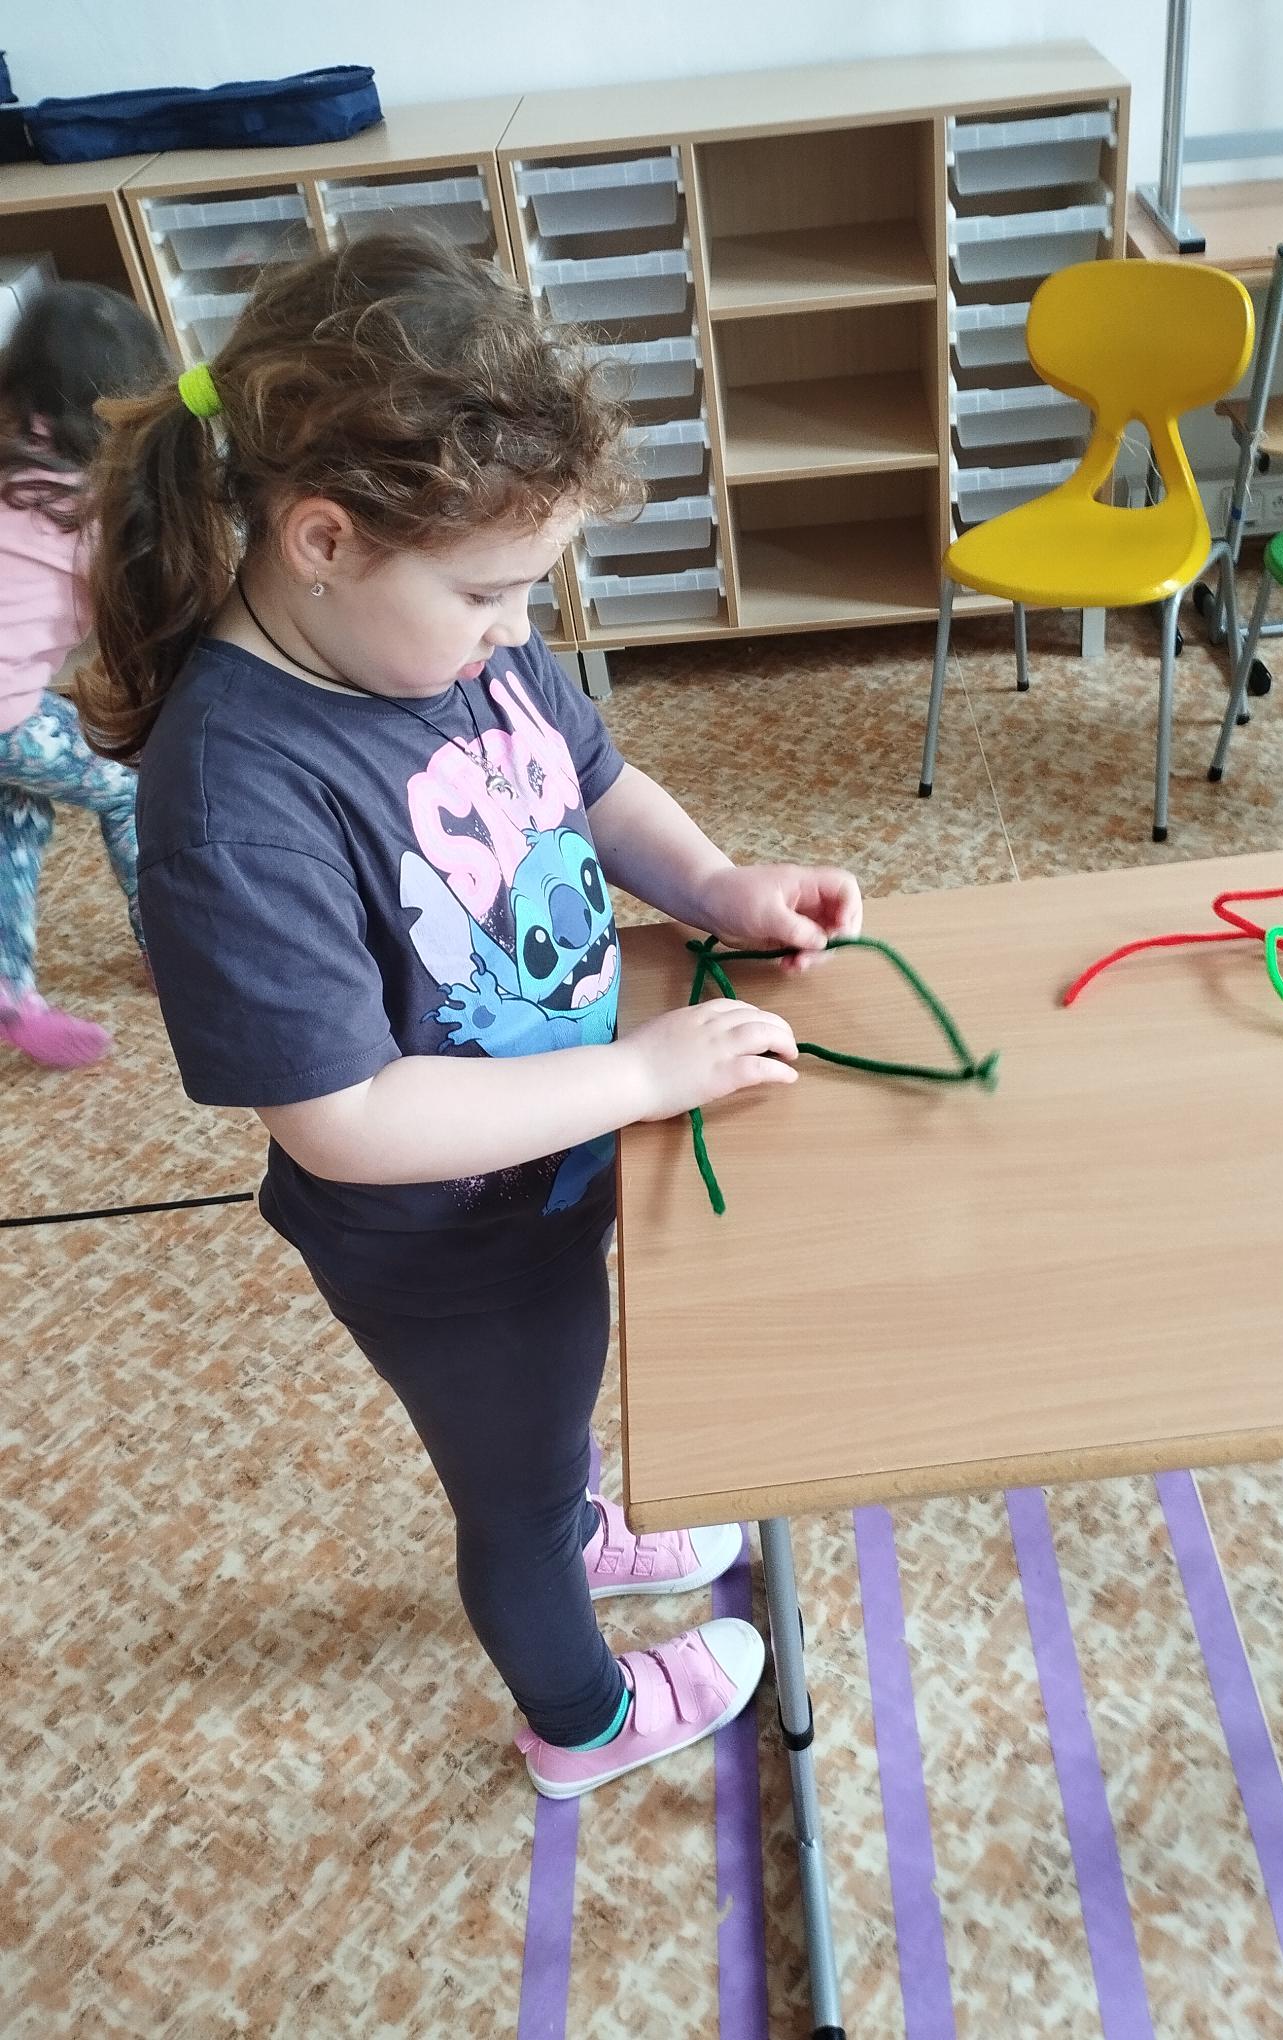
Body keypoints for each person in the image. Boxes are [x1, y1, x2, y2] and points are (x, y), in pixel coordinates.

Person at [79, 233, 862, 1797]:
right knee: (508, 1499)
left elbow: (598, 784)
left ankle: (576, 1509)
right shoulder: (235, 795)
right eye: (493, 594)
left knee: (550, 1426)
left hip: (553, 1170)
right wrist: (641, 1074)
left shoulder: (437, 636)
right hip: (444, 1245)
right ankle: (580, 1722)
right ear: (322, 536)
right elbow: (347, 1118)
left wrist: (717, 884)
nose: (516, 631)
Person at [0, 282, 168, 1065]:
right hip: (7, 713)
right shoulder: (91, 504)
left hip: (12, 713)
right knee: (130, 783)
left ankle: (10, 992)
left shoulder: (13, 463)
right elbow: (137, 629)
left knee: (17, 813)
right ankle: (167, 950)